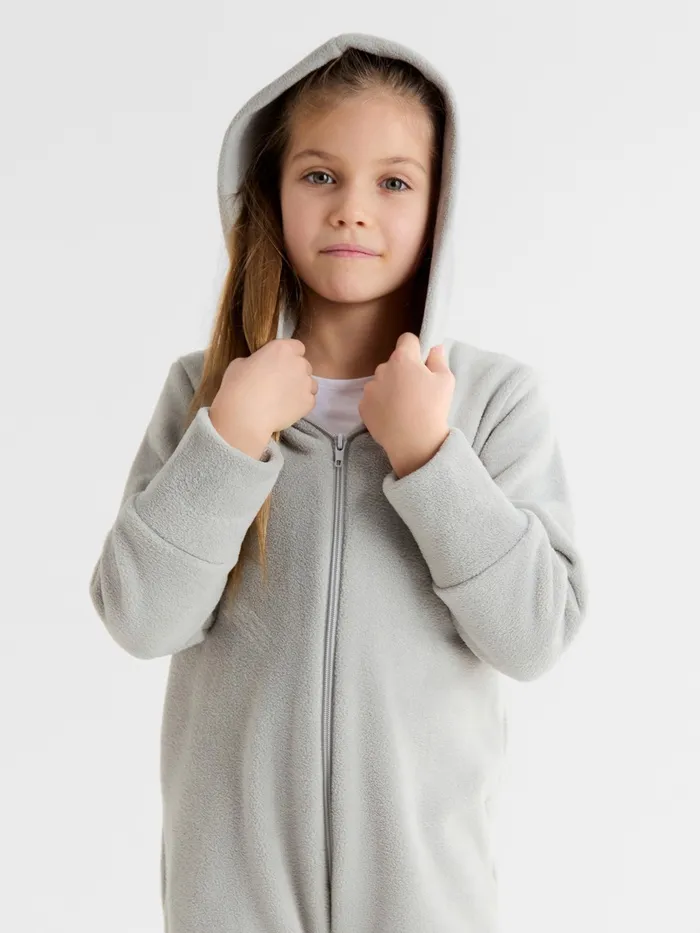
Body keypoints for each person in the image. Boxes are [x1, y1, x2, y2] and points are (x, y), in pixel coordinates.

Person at [89, 32, 588, 933]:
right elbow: (139, 616)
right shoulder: (206, 393)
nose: (353, 210)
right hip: (231, 903)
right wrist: (231, 436)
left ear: (440, 205)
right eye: (320, 175)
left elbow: (533, 635)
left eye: (394, 182)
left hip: (426, 904)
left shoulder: (492, 402)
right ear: (272, 192)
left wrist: (431, 455)